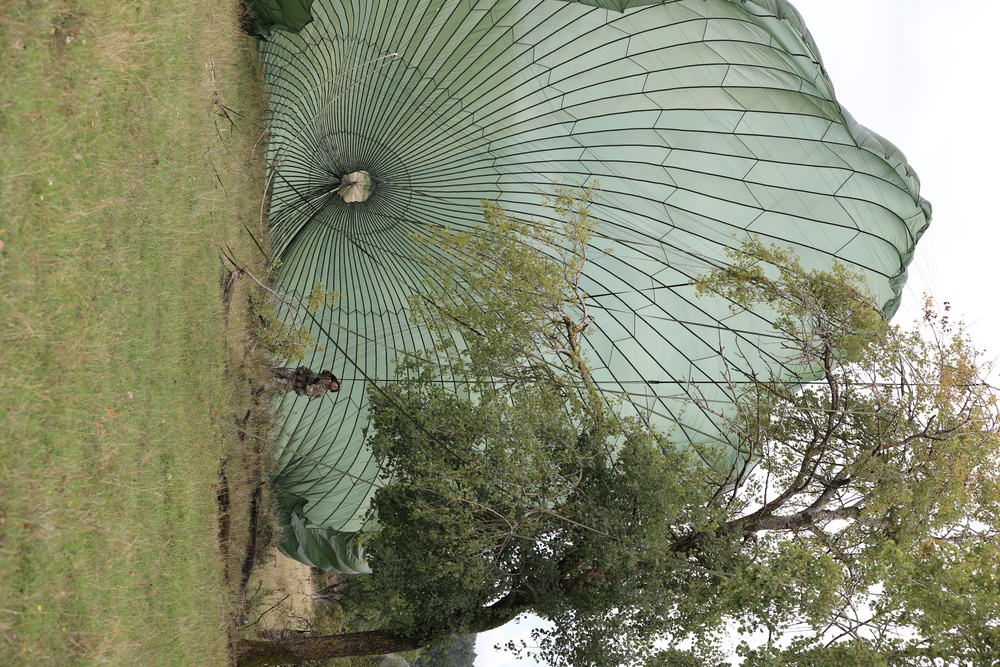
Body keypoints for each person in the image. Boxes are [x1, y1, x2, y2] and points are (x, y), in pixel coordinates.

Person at [272, 366, 341, 398]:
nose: (335, 386)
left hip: (294, 384)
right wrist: (332, 376)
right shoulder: (326, 377)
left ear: (332, 390)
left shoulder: (321, 393)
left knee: (275, 381)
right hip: (295, 375)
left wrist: (313, 384)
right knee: (276, 371)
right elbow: (325, 371)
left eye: (335, 388)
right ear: (334, 381)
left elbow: (309, 392)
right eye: (336, 384)